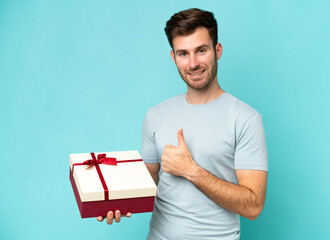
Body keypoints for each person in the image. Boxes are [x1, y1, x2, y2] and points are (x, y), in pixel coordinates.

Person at [98, 8, 268, 240]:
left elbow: (253, 206)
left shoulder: (246, 119)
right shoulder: (155, 115)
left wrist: (192, 171)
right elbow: (145, 183)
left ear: (217, 51)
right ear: (173, 57)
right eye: (183, 54)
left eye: (201, 50)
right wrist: (112, 203)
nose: (193, 63)